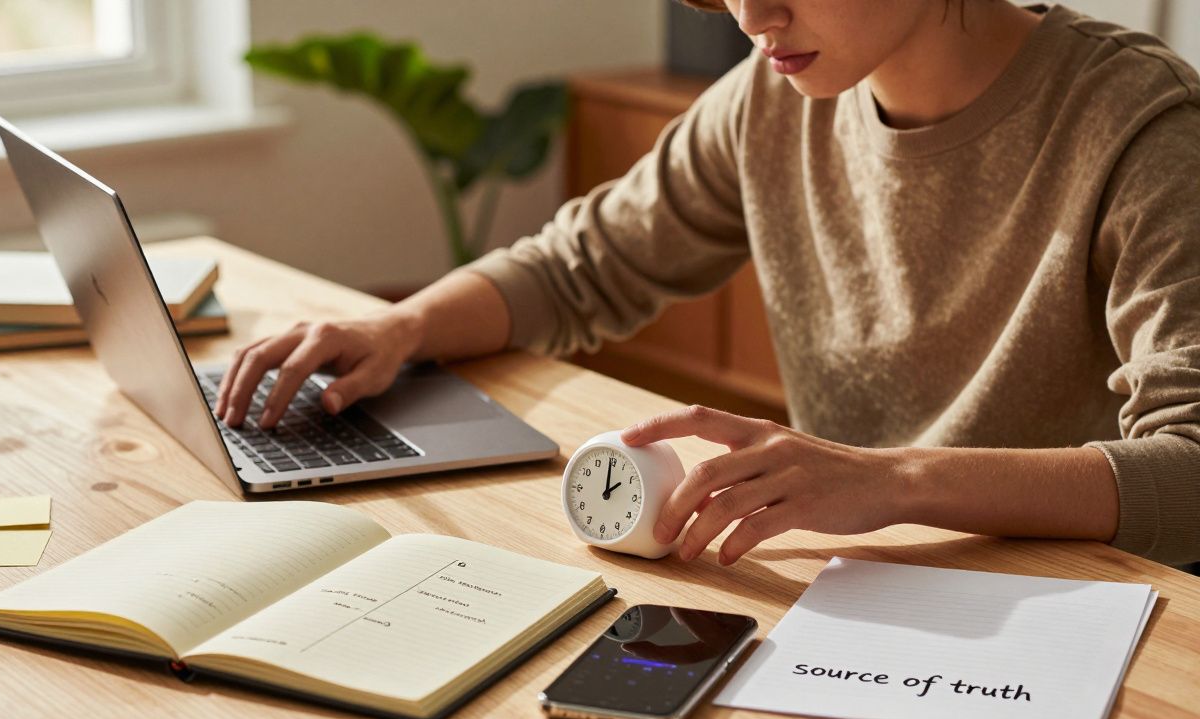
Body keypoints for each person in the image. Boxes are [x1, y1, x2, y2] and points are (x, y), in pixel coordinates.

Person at [217, 1, 1200, 566]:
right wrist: (404, 324)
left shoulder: (1139, 127)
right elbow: (579, 264)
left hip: (1077, 613)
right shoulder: (769, 103)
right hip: (846, 589)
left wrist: (887, 478)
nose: (751, 16)